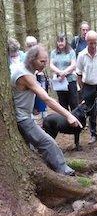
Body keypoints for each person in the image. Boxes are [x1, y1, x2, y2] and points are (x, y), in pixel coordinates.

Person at [10, 45, 82, 175]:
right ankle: (65, 172)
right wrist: (68, 115)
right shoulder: (25, 75)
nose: (45, 64)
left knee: (30, 148)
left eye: (46, 61)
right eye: (42, 61)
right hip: (22, 118)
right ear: (32, 59)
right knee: (48, 142)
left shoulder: (26, 70)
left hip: (24, 116)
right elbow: (46, 99)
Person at [49, 33, 78, 111]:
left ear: (66, 42)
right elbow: (51, 65)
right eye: (58, 41)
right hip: (59, 81)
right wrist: (60, 72)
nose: (60, 43)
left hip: (70, 80)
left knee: (73, 103)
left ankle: (76, 121)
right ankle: (65, 122)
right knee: (62, 103)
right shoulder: (53, 53)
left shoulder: (71, 52)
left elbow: (73, 65)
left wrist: (64, 72)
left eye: (62, 41)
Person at [25, 36, 49, 121]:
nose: (32, 47)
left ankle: (44, 119)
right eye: (29, 45)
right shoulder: (24, 58)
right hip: (28, 88)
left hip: (40, 79)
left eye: (33, 45)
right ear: (26, 46)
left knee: (42, 100)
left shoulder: (40, 56)